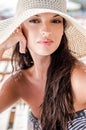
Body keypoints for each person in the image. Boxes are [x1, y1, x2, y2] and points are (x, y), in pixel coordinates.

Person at [0, 0, 86, 130]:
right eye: (35, 20)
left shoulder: (78, 79)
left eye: (55, 21)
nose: (46, 30)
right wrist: (2, 47)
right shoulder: (20, 82)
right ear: (19, 29)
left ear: (63, 29)